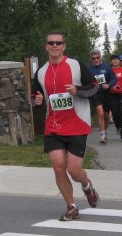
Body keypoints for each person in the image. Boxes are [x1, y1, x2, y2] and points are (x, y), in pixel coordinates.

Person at [32, 31, 100, 221]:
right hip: (53, 126)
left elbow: (94, 86)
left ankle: (87, 186)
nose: (55, 46)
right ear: (46, 46)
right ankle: (71, 206)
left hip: (77, 124)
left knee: (74, 170)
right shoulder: (41, 72)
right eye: (51, 43)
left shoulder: (76, 65)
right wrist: (36, 100)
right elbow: (33, 97)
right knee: (58, 166)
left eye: (58, 43)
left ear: (64, 46)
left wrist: (77, 91)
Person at [88, 50, 117, 144]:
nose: (96, 60)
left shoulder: (106, 67)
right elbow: (85, 81)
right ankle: (102, 135)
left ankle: (105, 130)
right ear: (91, 59)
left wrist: (109, 85)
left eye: (97, 58)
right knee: (100, 113)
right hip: (95, 94)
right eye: (93, 58)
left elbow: (114, 79)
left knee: (106, 116)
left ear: (100, 57)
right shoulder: (89, 69)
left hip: (106, 94)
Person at [109, 54, 122, 142]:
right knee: (115, 114)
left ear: (119, 61)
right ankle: (118, 127)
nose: (115, 61)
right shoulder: (109, 71)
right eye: (113, 59)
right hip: (112, 94)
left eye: (116, 59)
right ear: (111, 61)